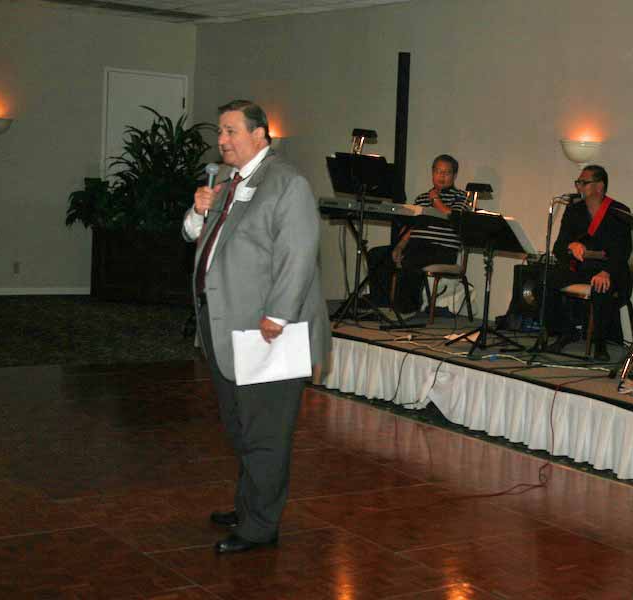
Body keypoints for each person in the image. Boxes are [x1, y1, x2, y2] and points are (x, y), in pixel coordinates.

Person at [182, 99, 331, 554]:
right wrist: (197, 210)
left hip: (267, 330)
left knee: (265, 432)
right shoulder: (225, 180)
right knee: (241, 425)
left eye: (230, 132)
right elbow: (194, 235)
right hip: (225, 325)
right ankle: (249, 505)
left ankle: (260, 526)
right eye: (221, 133)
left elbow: (298, 254)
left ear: (260, 135)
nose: (222, 140)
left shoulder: (287, 183)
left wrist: (278, 316)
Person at [545, 165, 631, 361]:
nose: (579, 187)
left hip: (610, 270)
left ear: (599, 186)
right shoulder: (573, 210)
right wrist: (571, 245)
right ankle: (565, 331)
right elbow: (558, 247)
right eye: (578, 183)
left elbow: (622, 251)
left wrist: (607, 271)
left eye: (584, 183)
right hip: (582, 268)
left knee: (601, 286)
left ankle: (600, 343)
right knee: (547, 280)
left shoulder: (619, 212)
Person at [367, 154, 469, 315]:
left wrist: (436, 201)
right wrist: (399, 246)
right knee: (377, 255)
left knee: (412, 258)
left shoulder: (462, 197)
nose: (441, 176)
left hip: (443, 250)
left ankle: (406, 309)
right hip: (416, 245)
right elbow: (410, 227)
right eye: (438, 171)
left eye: (447, 172)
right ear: (432, 173)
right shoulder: (421, 198)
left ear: (455, 176)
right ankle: (381, 306)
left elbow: (454, 217)